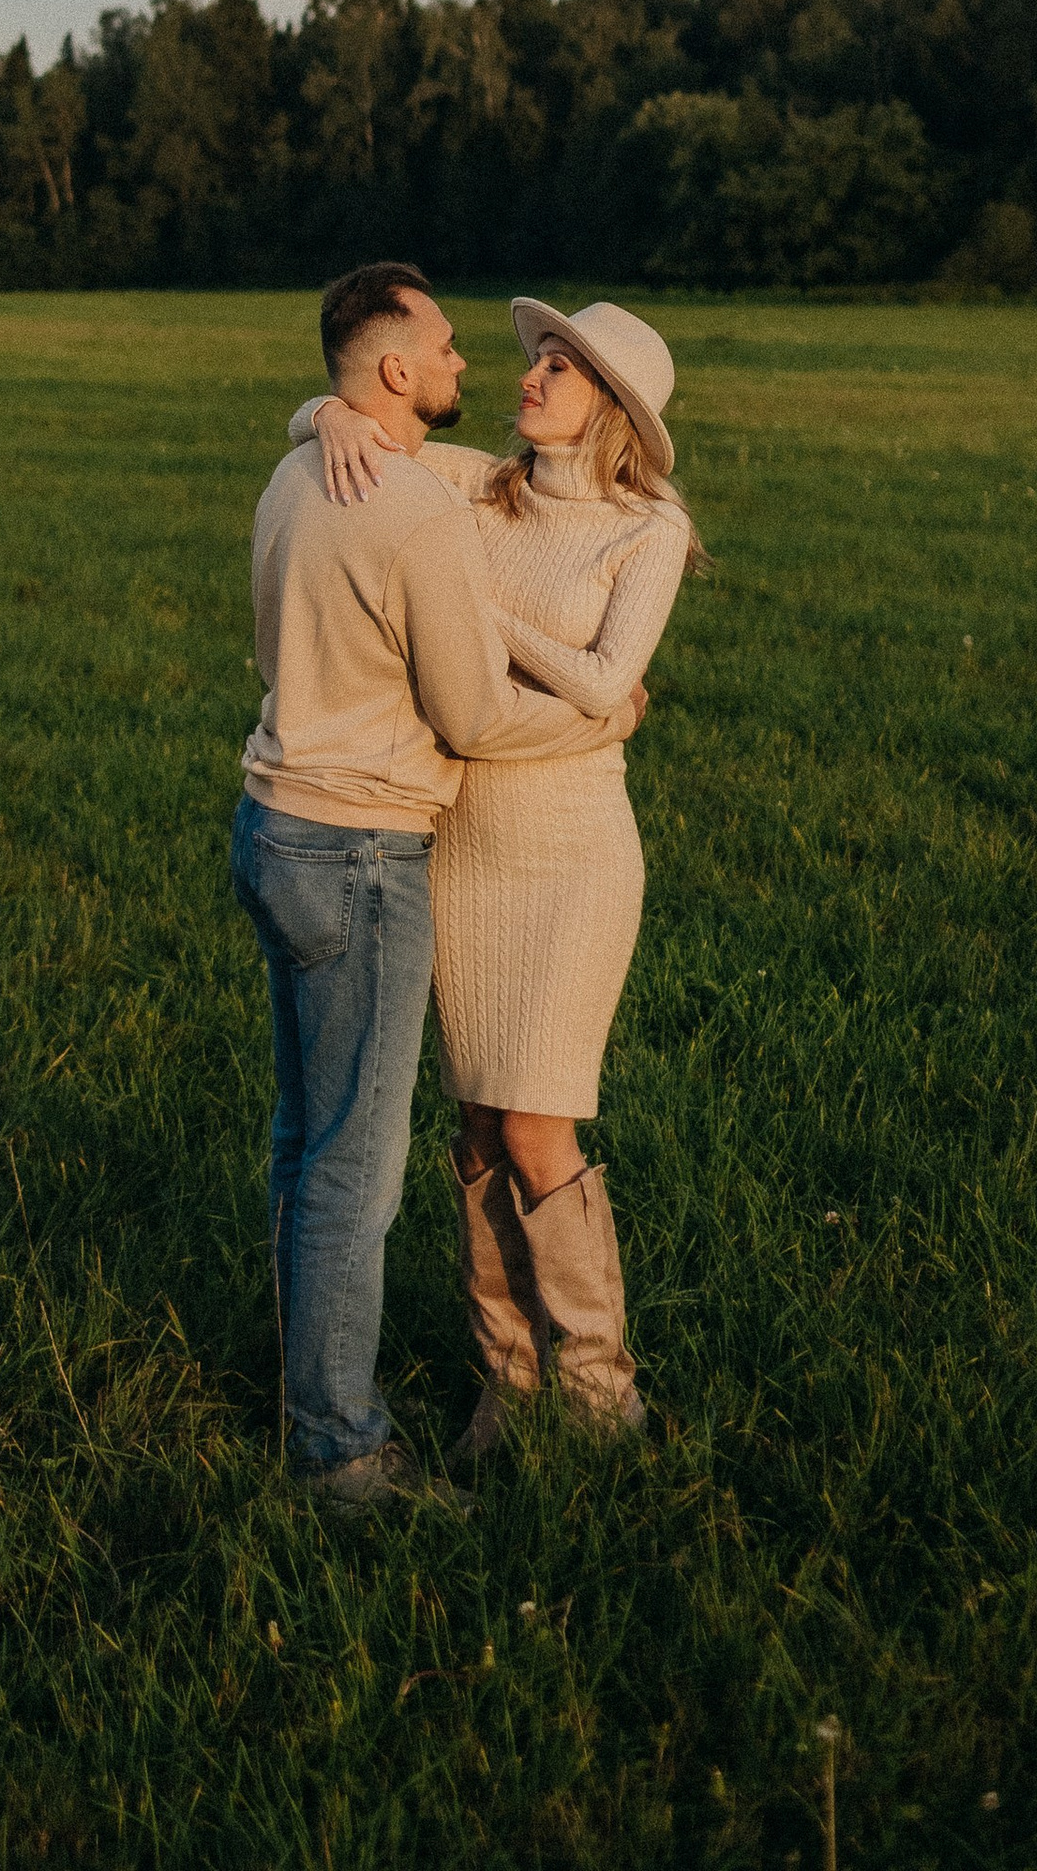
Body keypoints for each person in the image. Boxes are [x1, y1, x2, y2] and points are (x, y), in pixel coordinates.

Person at [236, 263, 644, 1515]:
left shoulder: (297, 471)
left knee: (306, 1150)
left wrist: (324, 411)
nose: (479, 365)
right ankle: (342, 1456)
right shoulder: (413, 504)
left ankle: (381, 1409)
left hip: (273, 825)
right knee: (352, 1174)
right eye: (452, 349)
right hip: (362, 852)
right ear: (397, 373)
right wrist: (602, 719)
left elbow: (330, 420)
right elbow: (469, 714)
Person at [301, 296, 696, 1455]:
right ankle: (507, 1388)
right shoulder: (478, 484)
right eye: (536, 361)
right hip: (465, 837)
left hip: (572, 850)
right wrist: (323, 408)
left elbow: (603, 678)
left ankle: (598, 1392)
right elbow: (365, 420)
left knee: (536, 1123)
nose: (529, 378)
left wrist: (477, 613)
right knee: (475, 1123)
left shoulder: (646, 531)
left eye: (560, 369)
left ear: (611, 409)